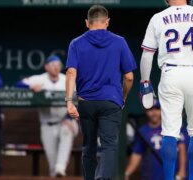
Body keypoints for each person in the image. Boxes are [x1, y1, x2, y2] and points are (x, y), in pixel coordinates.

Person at [138, 0, 193, 179]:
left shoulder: (158, 18)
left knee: (170, 131)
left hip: (170, 73)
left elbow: (147, 54)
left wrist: (145, 81)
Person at [65, 5, 136, 180]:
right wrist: (123, 97)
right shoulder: (119, 41)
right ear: (107, 22)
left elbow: (71, 73)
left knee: (88, 147)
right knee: (108, 145)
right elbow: (129, 77)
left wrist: (68, 101)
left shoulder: (76, 43)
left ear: (87, 23)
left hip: (86, 102)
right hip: (111, 101)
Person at [16, 55, 78, 177]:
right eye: (53, 65)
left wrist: (69, 117)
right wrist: (30, 87)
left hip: (65, 120)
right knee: (52, 165)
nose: (56, 67)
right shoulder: (40, 79)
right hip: (47, 124)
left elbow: (80, 100)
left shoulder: (67, 79)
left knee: (67, 130)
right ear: (46, 67)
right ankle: (57, 170)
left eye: (58, 65)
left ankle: (61, 167)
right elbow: (17, 85)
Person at [125, 101, 188, 180]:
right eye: (150, 109)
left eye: (157, 109)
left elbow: (181, 148)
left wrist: (182, 171)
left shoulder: (171, 127)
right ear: (145, 111)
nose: (154, 113)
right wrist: (127, 172)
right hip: (151, 176)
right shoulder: (143, 131)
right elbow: (137, 154)